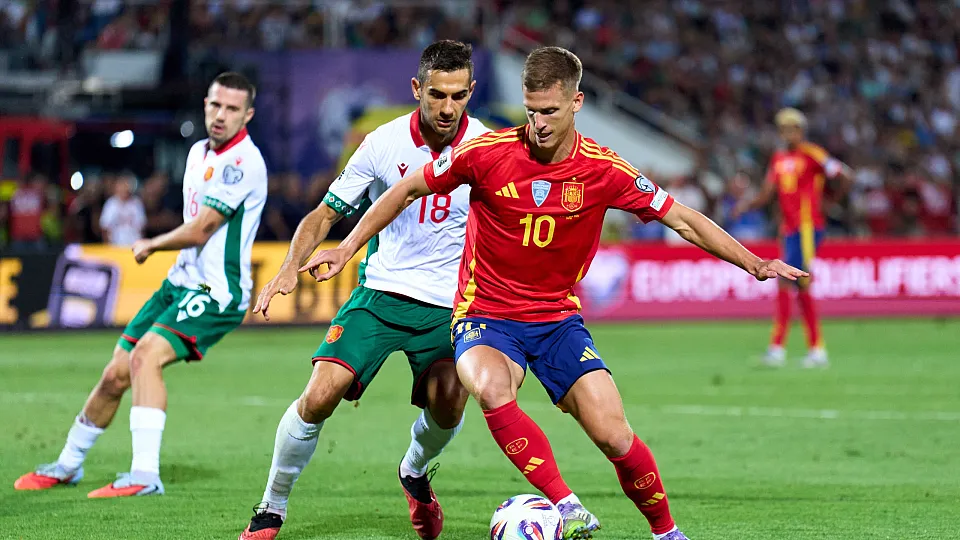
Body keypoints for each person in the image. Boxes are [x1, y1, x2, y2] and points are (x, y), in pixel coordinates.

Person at [301, 47, 806, 540]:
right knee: (491, 386)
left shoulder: (605, 170)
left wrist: (754, 262)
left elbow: (681, 219)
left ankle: (667, 532)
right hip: (485, 315)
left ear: (576, 103)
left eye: (549, 111)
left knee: (614, 433)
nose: (538, 122)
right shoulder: (485, 153)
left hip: (558, 319)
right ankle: (566, 504)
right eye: (531, 110)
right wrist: (346, 249)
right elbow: (407, 189)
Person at [238, 41, 489, 540]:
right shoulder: (382, 143)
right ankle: (271, 506)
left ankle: (414, 471)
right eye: (437, 94)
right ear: (417, 88)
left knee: (449, 406)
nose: (447, 108)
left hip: (449, 306)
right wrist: (290, 266)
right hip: (381, 293)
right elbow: (325, 213)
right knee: (320, 395)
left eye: (458, 96)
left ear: (471, 92)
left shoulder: (486, 147)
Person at [14, 72, 267, 498]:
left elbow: (202, 228)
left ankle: (145, 475)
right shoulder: (197, 152)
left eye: (231, 109)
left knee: (145, 356)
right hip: (179, 284)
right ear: (205, 104)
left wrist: (152, 242)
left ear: (248, 114)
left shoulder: (243, 163)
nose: (221, 115)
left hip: (216, 293)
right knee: (116, 372)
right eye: (215, 105)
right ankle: (68, 464)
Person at [734, 108, 852, 368]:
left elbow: (844, 175)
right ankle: (812, 349)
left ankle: (783, 348)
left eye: (792, 128)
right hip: (789, 230)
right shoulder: (778, 159)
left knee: (789, 283)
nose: (787, 133)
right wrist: (745, 206)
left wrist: (830, 201)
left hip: (808, 228)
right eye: (783, 129)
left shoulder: (813, 153)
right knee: (797, 285)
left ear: (800, 130)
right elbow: (767, 194)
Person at [100, 171, 147, 246]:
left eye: (126, 184)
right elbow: (105, 228)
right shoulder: (111, 203)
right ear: (116, 187)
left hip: (133, 246)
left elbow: (142, 228)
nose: (124, 188)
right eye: (121, 185)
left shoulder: (137, 203)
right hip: (115, 247)